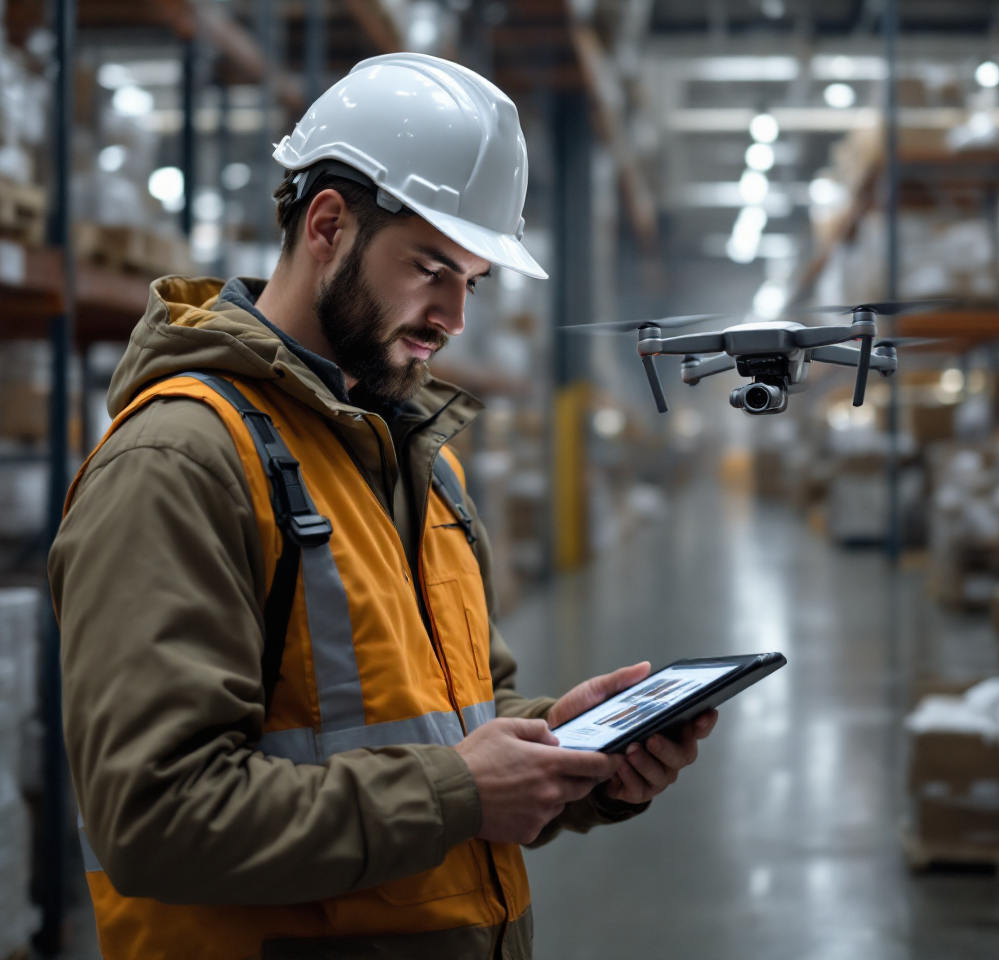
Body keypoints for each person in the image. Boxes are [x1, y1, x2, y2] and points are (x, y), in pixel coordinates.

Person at [50, 53, 717, 960]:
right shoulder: (182, 462)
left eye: (472, 282)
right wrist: (460, 789)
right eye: (431, 268)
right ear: (328, 224)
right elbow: (157, 818)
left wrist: (572, 750)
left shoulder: (417, 464)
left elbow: (457, 727)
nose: (454, 316)